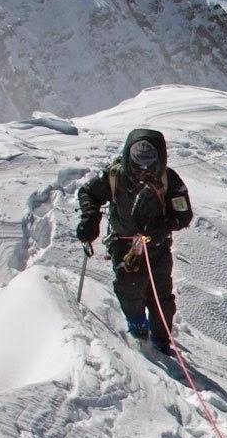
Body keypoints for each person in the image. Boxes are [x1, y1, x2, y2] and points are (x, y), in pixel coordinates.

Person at [76, 129, 193, 355]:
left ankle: (161, 341)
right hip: (124, 243)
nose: (144, 169)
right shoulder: (115, 176)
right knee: (129, 289)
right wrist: (90, 217)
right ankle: (138, 326)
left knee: (161, 297)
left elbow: (183, 214)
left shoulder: (170, 180)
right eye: (139, 162)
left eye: (150, 163)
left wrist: (163, 225)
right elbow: (88, 193)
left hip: (157, 245)